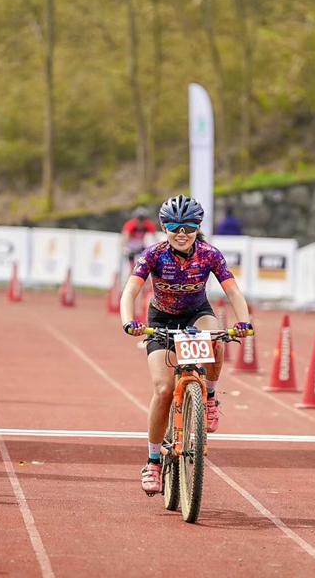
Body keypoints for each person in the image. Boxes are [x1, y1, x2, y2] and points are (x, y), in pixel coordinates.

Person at [120, 194, 252, 495]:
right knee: (164, 389)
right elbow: (129, 292)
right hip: (161, 320)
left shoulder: (210, 254)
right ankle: (153, 462)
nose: (182, 232)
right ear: (165, 227)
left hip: (196, 314)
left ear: (198, 227)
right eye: (175, 226)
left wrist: (243, 322)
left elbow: (233, 292)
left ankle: (209, 399)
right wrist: (128, 322)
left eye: (189, 226)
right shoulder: (153, 255)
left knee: (217, 337)